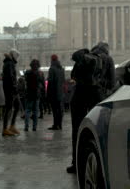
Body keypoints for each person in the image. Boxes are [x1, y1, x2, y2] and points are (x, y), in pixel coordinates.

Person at [66, 42, 116, 173]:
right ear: (106, 50)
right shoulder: (108, 59)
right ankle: (99, 162)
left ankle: (76, 164)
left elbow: (73, 76)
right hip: (96, 97)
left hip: (78, 96)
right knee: (98, 130)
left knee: (77, 130)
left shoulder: (85, 56)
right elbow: (112, 83)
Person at [2, 49, 20, 136]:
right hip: (10, 89)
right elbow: (10, 77)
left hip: (11, 89)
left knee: (17, 106)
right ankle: (5, 129)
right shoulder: (9, 64)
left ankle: (12, 126)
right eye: (16, 56)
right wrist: (14, 87)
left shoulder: (10, 63)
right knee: (9, 108)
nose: (17, 58)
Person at [24, 59, 45, 131]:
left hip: (29, 93)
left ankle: (26, 126)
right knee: (36, 111)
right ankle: (34, 127)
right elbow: (43, 84)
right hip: (36, 94)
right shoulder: (40, 73)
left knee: (27, 110)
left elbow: (25, 81)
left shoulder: (27, 72)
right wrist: (43, 93)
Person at [47, 54, 65, 130]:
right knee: (60, 109)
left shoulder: (52, 69)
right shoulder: (61, 69)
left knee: (55, 110)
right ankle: (60, 125)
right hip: (60, 92)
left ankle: (55, 125)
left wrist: (48, 93)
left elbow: (50, 82)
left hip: (54, 92)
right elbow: (63, 81)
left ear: (52, 60)